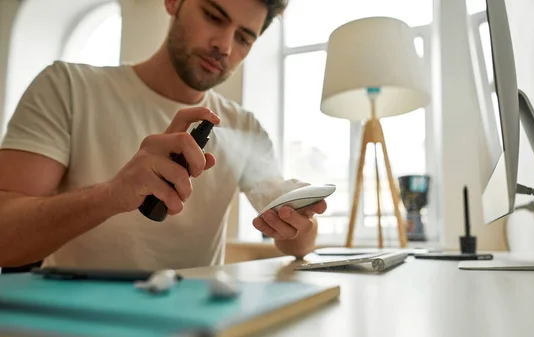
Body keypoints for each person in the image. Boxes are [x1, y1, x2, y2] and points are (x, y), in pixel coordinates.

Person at [0, 0, 327, 270]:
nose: (224, 46)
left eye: (244, 38)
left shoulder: (246, 127)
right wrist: (112, 195)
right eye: (213, 16)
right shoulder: (67, 87)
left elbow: (299, 245)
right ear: (173, 2)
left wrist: (298, 220)